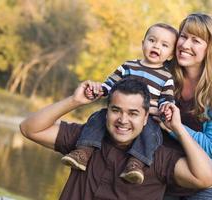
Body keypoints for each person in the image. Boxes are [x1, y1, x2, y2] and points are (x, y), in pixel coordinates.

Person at [20, 78, 212, 200]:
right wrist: (75, 101)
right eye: (116, 110)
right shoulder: (85, 140)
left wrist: (178, 128)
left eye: (133, 113)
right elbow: (30, 128)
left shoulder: (158, 158)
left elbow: (206, 177)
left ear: (145, 117)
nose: (123, 120)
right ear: (106, 112)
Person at [61, 23, 178, 184]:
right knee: (98, 117)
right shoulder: (128, 66)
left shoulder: (166, 77)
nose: (156, 46)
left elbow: (167, 100)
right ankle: (83, 152)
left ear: (171, 55)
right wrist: (98, 90)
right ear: (143, 43)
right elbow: (110, 85)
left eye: (164, 45)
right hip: (119, 111)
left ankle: (136, 164)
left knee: (151, 132)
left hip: (147, 117)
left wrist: (166, 110)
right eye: (152, 40)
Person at [161, 13, 212, 200]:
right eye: (184, 36)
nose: (185, 45)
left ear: (210, 48)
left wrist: (175, 128)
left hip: (205, 183)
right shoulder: (163, 71)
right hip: (166, 173)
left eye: (196, 40)